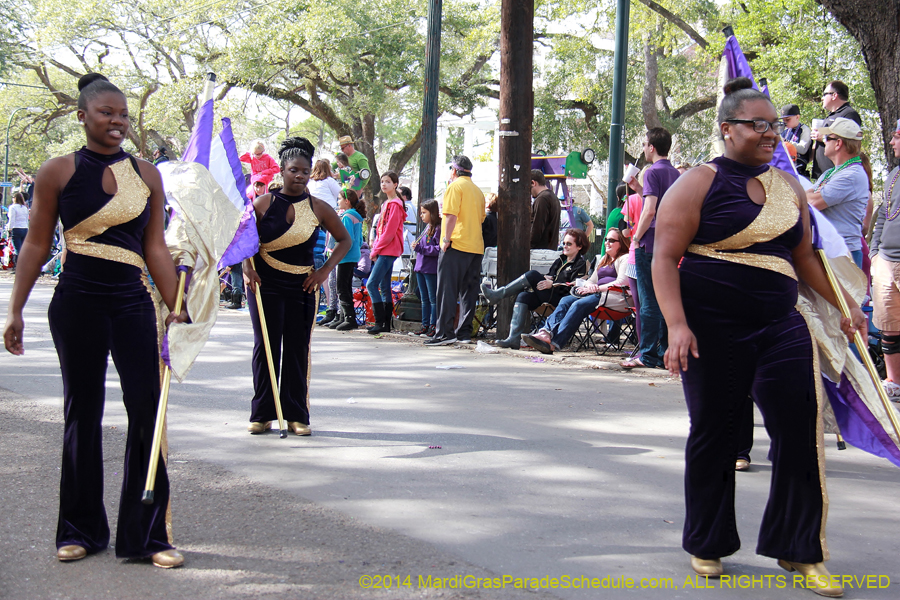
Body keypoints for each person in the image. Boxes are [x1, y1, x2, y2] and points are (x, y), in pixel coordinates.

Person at [652, 76, 864, 594]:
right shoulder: (697, 182)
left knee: (799, 428)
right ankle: (708, 540)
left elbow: (805, 258)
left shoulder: (788, 187)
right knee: (716, 430)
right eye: (758, 125)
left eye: (774, 125)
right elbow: (663, 257)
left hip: (781, 324)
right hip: (710, 327)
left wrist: (845, 305)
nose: (772, 133)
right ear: (726, 129)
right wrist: (676, 326)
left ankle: (801, 550)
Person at [3, 73, 188, 568]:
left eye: (124, 114)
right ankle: (80, 529)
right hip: (76, 302)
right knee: (81, 414)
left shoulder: (147, 174)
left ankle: (147, 536)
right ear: (82, 116)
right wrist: (15, 309)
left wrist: (177, 306)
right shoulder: (58, 171)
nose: (117, 122)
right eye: (107, 113)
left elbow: (154, 247)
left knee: (146, 410)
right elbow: (37, 244)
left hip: (131, 302)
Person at [242, 137, 350, 436]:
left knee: (296, 348)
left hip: (303, 286)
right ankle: (262, 413)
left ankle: (295, 413)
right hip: (265, 285)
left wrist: (325, 271)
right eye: (293, 170)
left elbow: (345, 240)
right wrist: (247, 268)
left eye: (304, 170)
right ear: (283, 171)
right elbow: (244, 242)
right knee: (265, 346)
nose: (300, 175)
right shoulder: (263, 203)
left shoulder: (319, 207)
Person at [622, 127, 680, 370]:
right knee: (665, 299)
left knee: (648, 301)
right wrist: (637, 188)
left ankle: (647, 354)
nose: (644, 148)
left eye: (645, 144)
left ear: (652, 147)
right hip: (671, 242)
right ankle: (664, 351)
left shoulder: (653, 172)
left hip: (650, 242)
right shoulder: (675, 173)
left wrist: (636, 236)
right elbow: (659, 201)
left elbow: (650, 209)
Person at [522, 228, 630, 354]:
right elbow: (591, 280)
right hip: (597, 296)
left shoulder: (625, 258)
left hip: (615, 297)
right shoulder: (604, 260)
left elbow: (622, 282)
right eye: (606, 240)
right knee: (566, 300)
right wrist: (588, 286)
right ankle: (545, 332)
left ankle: (554, 343)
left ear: (621, 243)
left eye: (611, 240)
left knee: (579, 304)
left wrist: (596, 288)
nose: (607, 243)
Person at [482, 228, 589, 349]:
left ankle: (498, 295)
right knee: (523, 296)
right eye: (564, 243)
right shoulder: (560, 260)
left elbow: (575, 286)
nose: (565, 246)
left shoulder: (581, 264)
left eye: (569, 244)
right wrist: (548, 279)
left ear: (579, 246)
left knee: (532, 274)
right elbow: (551, 276)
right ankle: (513, 338)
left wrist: (553, 283)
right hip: (548, 294)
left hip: (561, 299)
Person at [425, 155, 485, 346]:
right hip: (475, 246)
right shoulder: (478, 191)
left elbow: (450, 215)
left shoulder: (454, 186)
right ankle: (464, 332)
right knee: (469, 291)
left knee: (446, 290)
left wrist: (445, 239)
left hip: (456, 244)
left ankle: (444, 332)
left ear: (454, 170)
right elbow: (481, 218)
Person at [806, 117, 868, 267]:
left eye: (827, 138)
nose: (824, 141)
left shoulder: (852, 175)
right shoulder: (831, 173)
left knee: (844, 292)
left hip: (844, 253)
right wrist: (810, 195)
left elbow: (812, 202)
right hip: (830, 250)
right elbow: (805, 195)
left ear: (839, 143)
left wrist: (812, 195)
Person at [869, 118, 900, 399]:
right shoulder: (893, 176)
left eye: (897, 136)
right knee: (889, 325)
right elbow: (882, 218)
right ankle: (893, 381)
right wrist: (875, 253)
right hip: (887, 261)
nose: (892, 142)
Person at [366, 171, 405, 334]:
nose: (384, 184)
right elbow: (382, 230)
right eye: (382, 181)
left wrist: (375, 249)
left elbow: (389, 232)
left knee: (371, 284)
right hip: (385, 248)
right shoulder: (386, 204)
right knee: (384, 285)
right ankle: (386, 324)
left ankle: (380, 321)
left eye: (388, 181)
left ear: (395, 184)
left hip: (389, 249)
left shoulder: (395, 205)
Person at [810, 81, 863, 179]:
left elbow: (850, 143)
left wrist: (823, 137)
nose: (822, 98)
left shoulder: (849, 114)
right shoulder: (830, 116)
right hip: (823, 174)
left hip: (837, 173)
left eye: (825, 94)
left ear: (834, 95)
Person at [333, 188, 365, 331]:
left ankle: (349, 318)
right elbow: (358, 240)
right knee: (345, 286)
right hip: (353, 255)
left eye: (339, 198)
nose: (338, 201)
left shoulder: (347, 216)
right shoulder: (356, 216)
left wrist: (338, 251)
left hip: (345, 256)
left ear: (347, 201)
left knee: (342, 287)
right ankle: (343, 317)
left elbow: (348, 239)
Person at [411, 199, 442, 337]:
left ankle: (433, 326)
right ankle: (425, 325)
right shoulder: (426, 228)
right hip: (421, 267)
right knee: (424, 298)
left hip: (431, 268)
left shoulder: (438, 228)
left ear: (432, 213)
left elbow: (438, 249)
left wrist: (421, 248)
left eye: (424, 212)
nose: (421, 215)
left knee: (432, 298)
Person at [529, 170, 561, 250]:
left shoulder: (542, 199)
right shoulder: (553, 197)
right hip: (550, 249)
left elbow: (537, 227)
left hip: (540, 251)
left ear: (533, 183)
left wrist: (529, 247)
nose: (529, 192)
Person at [781, 104, 812, 178]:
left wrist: (786, 142)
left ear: (797, 117)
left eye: (788, 120)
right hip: (785, 167)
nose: (785, 123)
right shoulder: (786, 131)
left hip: (798, 169)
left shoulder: (804, 130)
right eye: (783, 120)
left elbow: (803, 149)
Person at [6, 192, 29, 267]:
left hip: (16, 228)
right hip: (24, 228)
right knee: (22, 248)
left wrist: (9, 229)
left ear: (15, 198)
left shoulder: (13, 207)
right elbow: (26, 219)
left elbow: (12, 219)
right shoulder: (25, 207)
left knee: (17, 249)